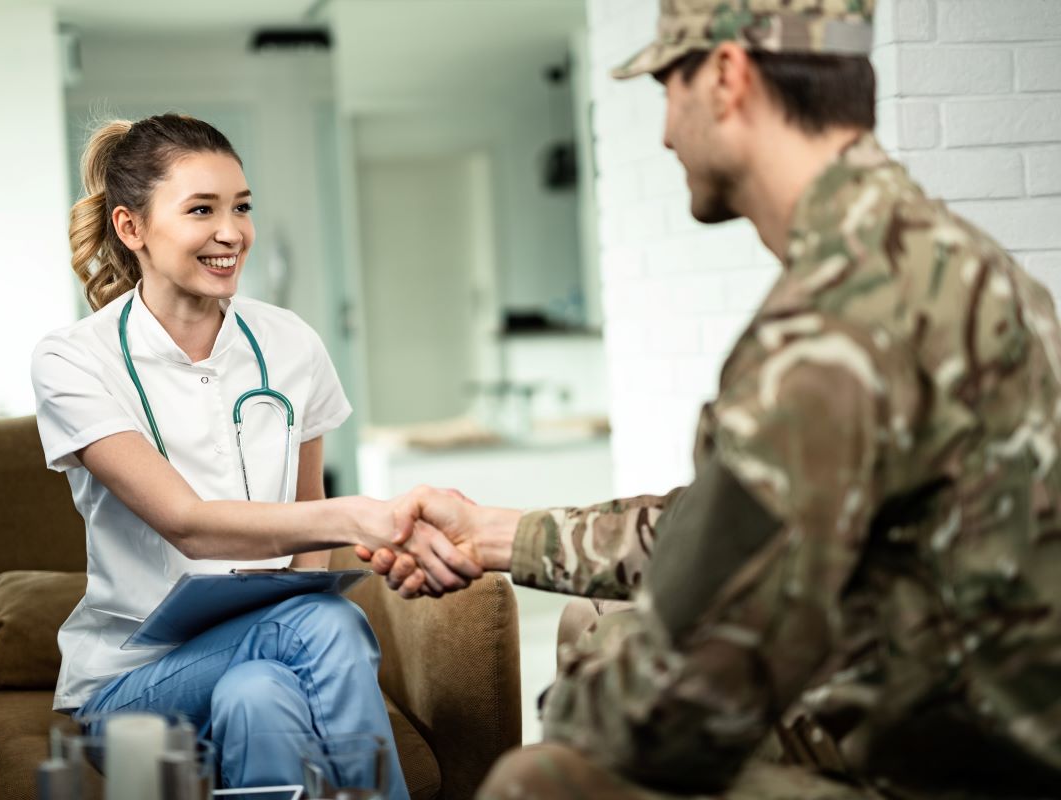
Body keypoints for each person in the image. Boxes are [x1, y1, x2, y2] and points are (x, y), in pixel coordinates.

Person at [361, 1, 1061, 797]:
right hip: (949, 704)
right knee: (591, 623)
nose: (663, 131)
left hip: (945, 773)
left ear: (726, 77)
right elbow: (716, 526)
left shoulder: (832, 326)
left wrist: (575, 705)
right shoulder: (949, 262)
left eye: (668, 86)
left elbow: (670, 710)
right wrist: (498, 536)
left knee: (540, 780)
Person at [30, 113, 475, 796]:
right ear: (132, 228)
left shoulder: (290, 342)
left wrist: (331, 529)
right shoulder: (73, 360)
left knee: (259, 692)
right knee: (322, 619)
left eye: (241, 207)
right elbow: (187, 522)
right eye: (201, 210)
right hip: (131, 683)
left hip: (264, 652)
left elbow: (305, 513)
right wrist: (358, 516)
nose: (232, 232)